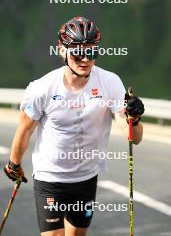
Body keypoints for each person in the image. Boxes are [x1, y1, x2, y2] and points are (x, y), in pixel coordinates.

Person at [4, 16, 144, 236]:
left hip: (86, 178)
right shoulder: (42, 88)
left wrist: (133, 118)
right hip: (50, 177)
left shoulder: (110, 82)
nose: (85, 59)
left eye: (92, 52)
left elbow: (133, 137)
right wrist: (14, 163)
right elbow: (25, 129)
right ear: (62, 50)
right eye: (77, 51)